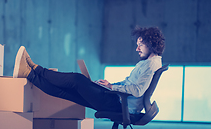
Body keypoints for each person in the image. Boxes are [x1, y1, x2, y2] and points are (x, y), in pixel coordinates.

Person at [13, 26, 165, 114]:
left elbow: (137, 90)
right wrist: (109, 85)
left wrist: (112, 87)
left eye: (141, 45)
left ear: (151, 44)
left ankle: (36, 68)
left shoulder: (151, 64)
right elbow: (130, 84)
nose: (137, 48)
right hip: (118, 101)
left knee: (77, 80)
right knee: (66, 92)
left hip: (119, 105)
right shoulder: (150, 62)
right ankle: (29, 73)